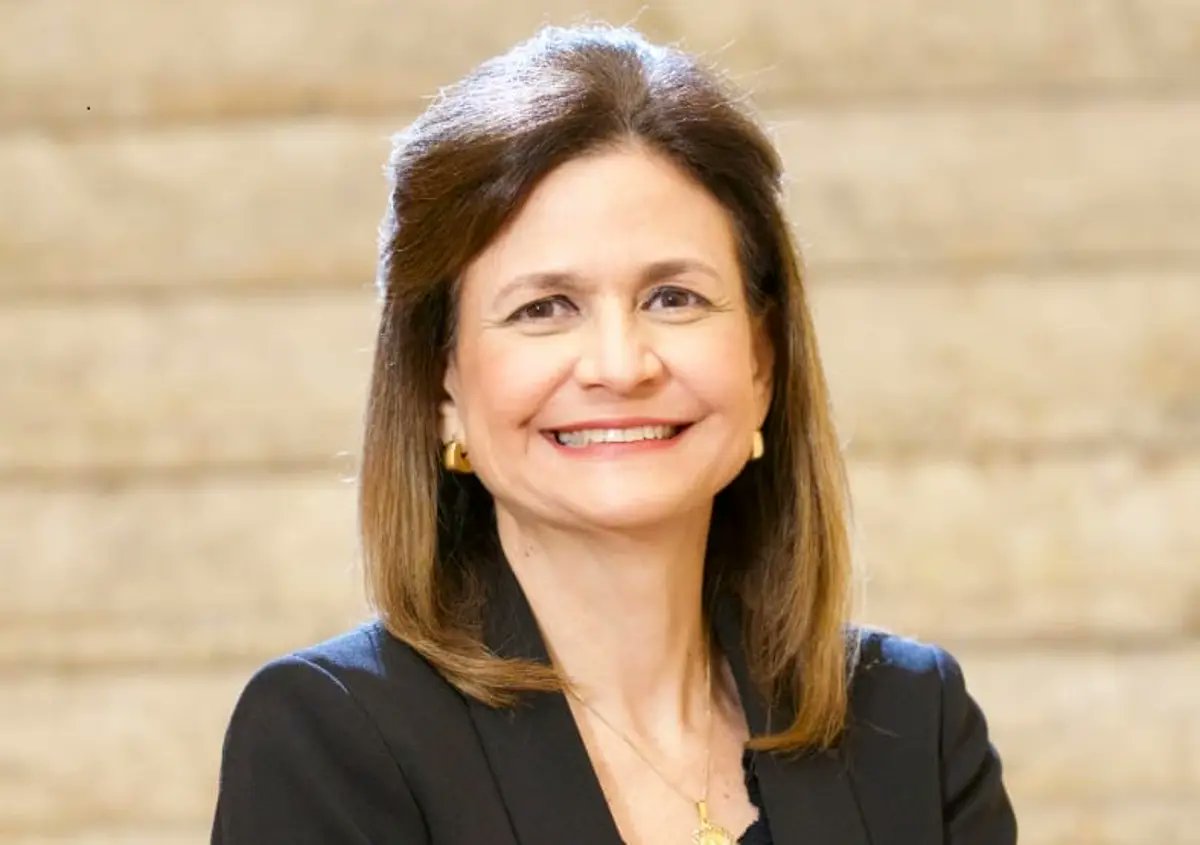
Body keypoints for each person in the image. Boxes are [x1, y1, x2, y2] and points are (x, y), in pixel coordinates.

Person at [211, 23, 1017, 845]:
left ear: (762, 362)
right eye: (544, 308)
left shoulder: (913, 726)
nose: (620, 365)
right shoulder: (332, 743)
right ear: (439, 384)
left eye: (673, 298)